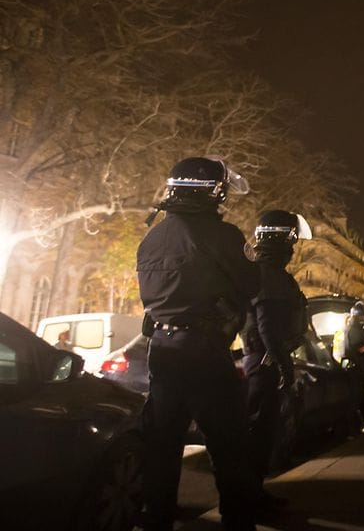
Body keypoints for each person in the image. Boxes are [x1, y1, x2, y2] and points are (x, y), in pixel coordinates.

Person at [136, 156, 259, 531]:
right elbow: (251, 285)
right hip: (204, 352)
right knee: (229, 445)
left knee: (162, 446)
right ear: (214, 192)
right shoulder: (224, 236)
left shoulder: (152, 235)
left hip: (162, 350)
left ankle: (156, 520)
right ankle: (238, 523)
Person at [241, 210, 311, 506]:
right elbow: (267, 326)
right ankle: (249, 499)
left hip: (263, 361)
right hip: (265, 362)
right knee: (259, 433)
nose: (294, 249)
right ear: (286, 240)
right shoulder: (269, 275)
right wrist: (285, 366)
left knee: (261, 432)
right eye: (293, 241)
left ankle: (251, 494)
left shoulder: (263, 271)